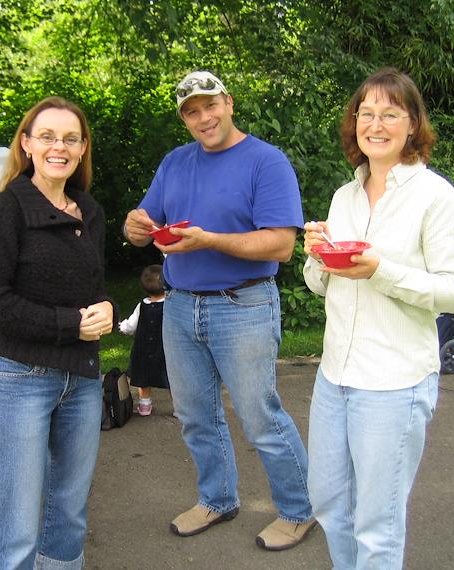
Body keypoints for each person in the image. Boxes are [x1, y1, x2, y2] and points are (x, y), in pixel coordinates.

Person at [124, 70, 316, 551]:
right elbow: (144, 226)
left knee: (259, 417)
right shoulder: (175, 162)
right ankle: (217, 499)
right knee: (193, 415)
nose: (203, 117)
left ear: (229, 103)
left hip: (244, 303)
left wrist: (208, 240)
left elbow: (281, 245)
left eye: (210, 105)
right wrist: (135, 226)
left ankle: (299, 510)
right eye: (191, 112)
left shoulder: (266, 161)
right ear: (184, 119)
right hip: (180, 306)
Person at [302, 67, 454, 569]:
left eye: (390, 114)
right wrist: (317, 256)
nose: (375, 125)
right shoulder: (345, 195)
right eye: (366, 113)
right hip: (334, 376)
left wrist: (381, 271)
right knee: (329, 504)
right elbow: (322, 284)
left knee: (377, 523)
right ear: (354, 122)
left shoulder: (436, 198)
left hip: (394, 383)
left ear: (413, 124)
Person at [0, 96, 116, 570]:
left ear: (83, 148)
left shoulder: (89, 211)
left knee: (69, 513)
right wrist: (70, 324)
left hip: (83, 379)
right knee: (17, 526)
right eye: (48, 137)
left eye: (71, 139)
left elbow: (92, 287)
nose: (60, 147)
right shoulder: (6, 209)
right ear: (27, 144)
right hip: (23, 378)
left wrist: (107, 308)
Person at [118, 264, 170, 416]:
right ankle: (179, 409)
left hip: (143, 350)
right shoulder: (171, 304)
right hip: (166, 350)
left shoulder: (141, 306)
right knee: (172, 379)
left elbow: (131, 326)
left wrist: (122, 326)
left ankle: (145, 406)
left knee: (144, 379)